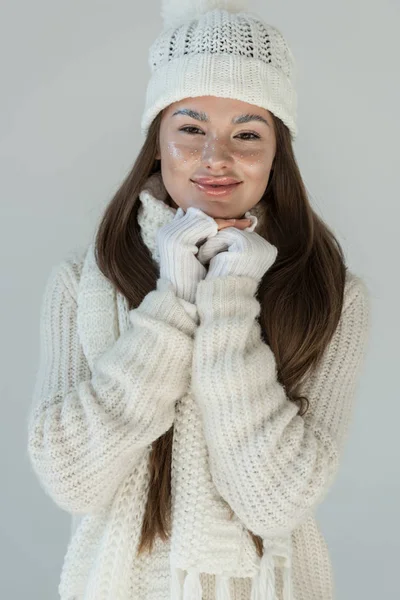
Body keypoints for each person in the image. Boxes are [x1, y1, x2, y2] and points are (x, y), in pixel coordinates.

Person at [26, 1, 371, 599]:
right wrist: (173, 303)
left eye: (247, 133)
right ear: (156, 140)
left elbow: (275, 501)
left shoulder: (331, 294)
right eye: (190, 128)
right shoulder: (83, 283)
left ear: (276, 152)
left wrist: (231, 300)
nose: (217, 156)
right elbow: (71, 480)